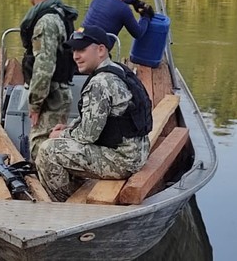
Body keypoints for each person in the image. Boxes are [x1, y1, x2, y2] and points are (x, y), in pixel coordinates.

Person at [35, 25, 152, 202]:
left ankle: (64, 205)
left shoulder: (99, 83)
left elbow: (87, 136)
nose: (75, 56)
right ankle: (77, 189)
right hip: (137, 153)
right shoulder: (119, 70)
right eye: (74, 50)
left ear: (101, 50)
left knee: (47, 151)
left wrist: (61, 134)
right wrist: (70, 127)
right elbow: (100, 119)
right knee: (62, 142)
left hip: (122, 160)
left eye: (81, 50)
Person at [20, 0, 78, 160]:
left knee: (41, 148)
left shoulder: (46, 22)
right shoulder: (62, 14)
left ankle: (42, 188)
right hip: (59, 94)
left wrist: (35, 104)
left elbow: (44, 67)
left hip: (51, 97)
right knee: (53, 146)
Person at [81, 0, 154, 49]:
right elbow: (138, 33)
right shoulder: (123, 9)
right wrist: (146, 16)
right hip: (94, 51)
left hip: (78, 38)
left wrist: (134, 1)